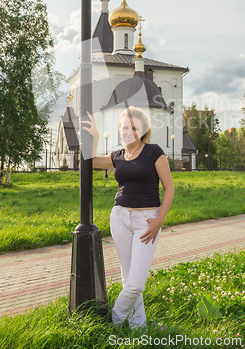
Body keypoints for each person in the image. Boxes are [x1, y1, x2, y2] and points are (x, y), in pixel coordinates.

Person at [82, 106, 175, 329]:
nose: (129, 131)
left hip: (147, 220)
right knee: (127, 278)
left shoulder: (154, 152)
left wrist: (159, 221)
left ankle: (114, 321)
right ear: (119, 130)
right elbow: (91, 161)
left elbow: (169, 188)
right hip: (120, 218)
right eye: (125, 127)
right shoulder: (118, 156)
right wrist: (94, 136)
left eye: (134, 127)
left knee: (135, 284)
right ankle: (138, 327)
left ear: (143, 130)